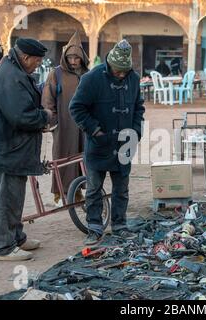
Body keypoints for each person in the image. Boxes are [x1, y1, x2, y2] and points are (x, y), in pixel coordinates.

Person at [0, 38, 53, 261]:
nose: (38, 65)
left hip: (7, 147)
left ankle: (16, 237)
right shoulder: (10, 77)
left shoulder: (13, 70)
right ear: (25, 57)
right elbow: (22, 116)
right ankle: (2, 247)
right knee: (5, 199)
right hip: (1, 150)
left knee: (14, 195)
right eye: (37, 61)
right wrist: (44, 116)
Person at [69, 39, 145, 245]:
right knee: (94, 188)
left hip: (124, 144)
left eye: (124, 72)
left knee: (122, 188)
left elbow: (139, 108)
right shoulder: (92, 78)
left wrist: (136, 131)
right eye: (117, 71)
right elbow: (76, 108)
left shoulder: (133, 79)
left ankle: (120, 225)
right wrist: (95, 129)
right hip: (99, 144)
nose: (121, 75)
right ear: (109, 64)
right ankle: (94, 227)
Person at [42, 31, 89, 206]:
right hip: (63, 125)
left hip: (83, 125)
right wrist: (52, 121)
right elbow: (48, 99)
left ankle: (76, 192)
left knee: (82, 157)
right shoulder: (56, 74)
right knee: (63, 157)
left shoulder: (87, 74)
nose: (73, 61)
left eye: (77, 58)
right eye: (70, 57)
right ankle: (60, 193)